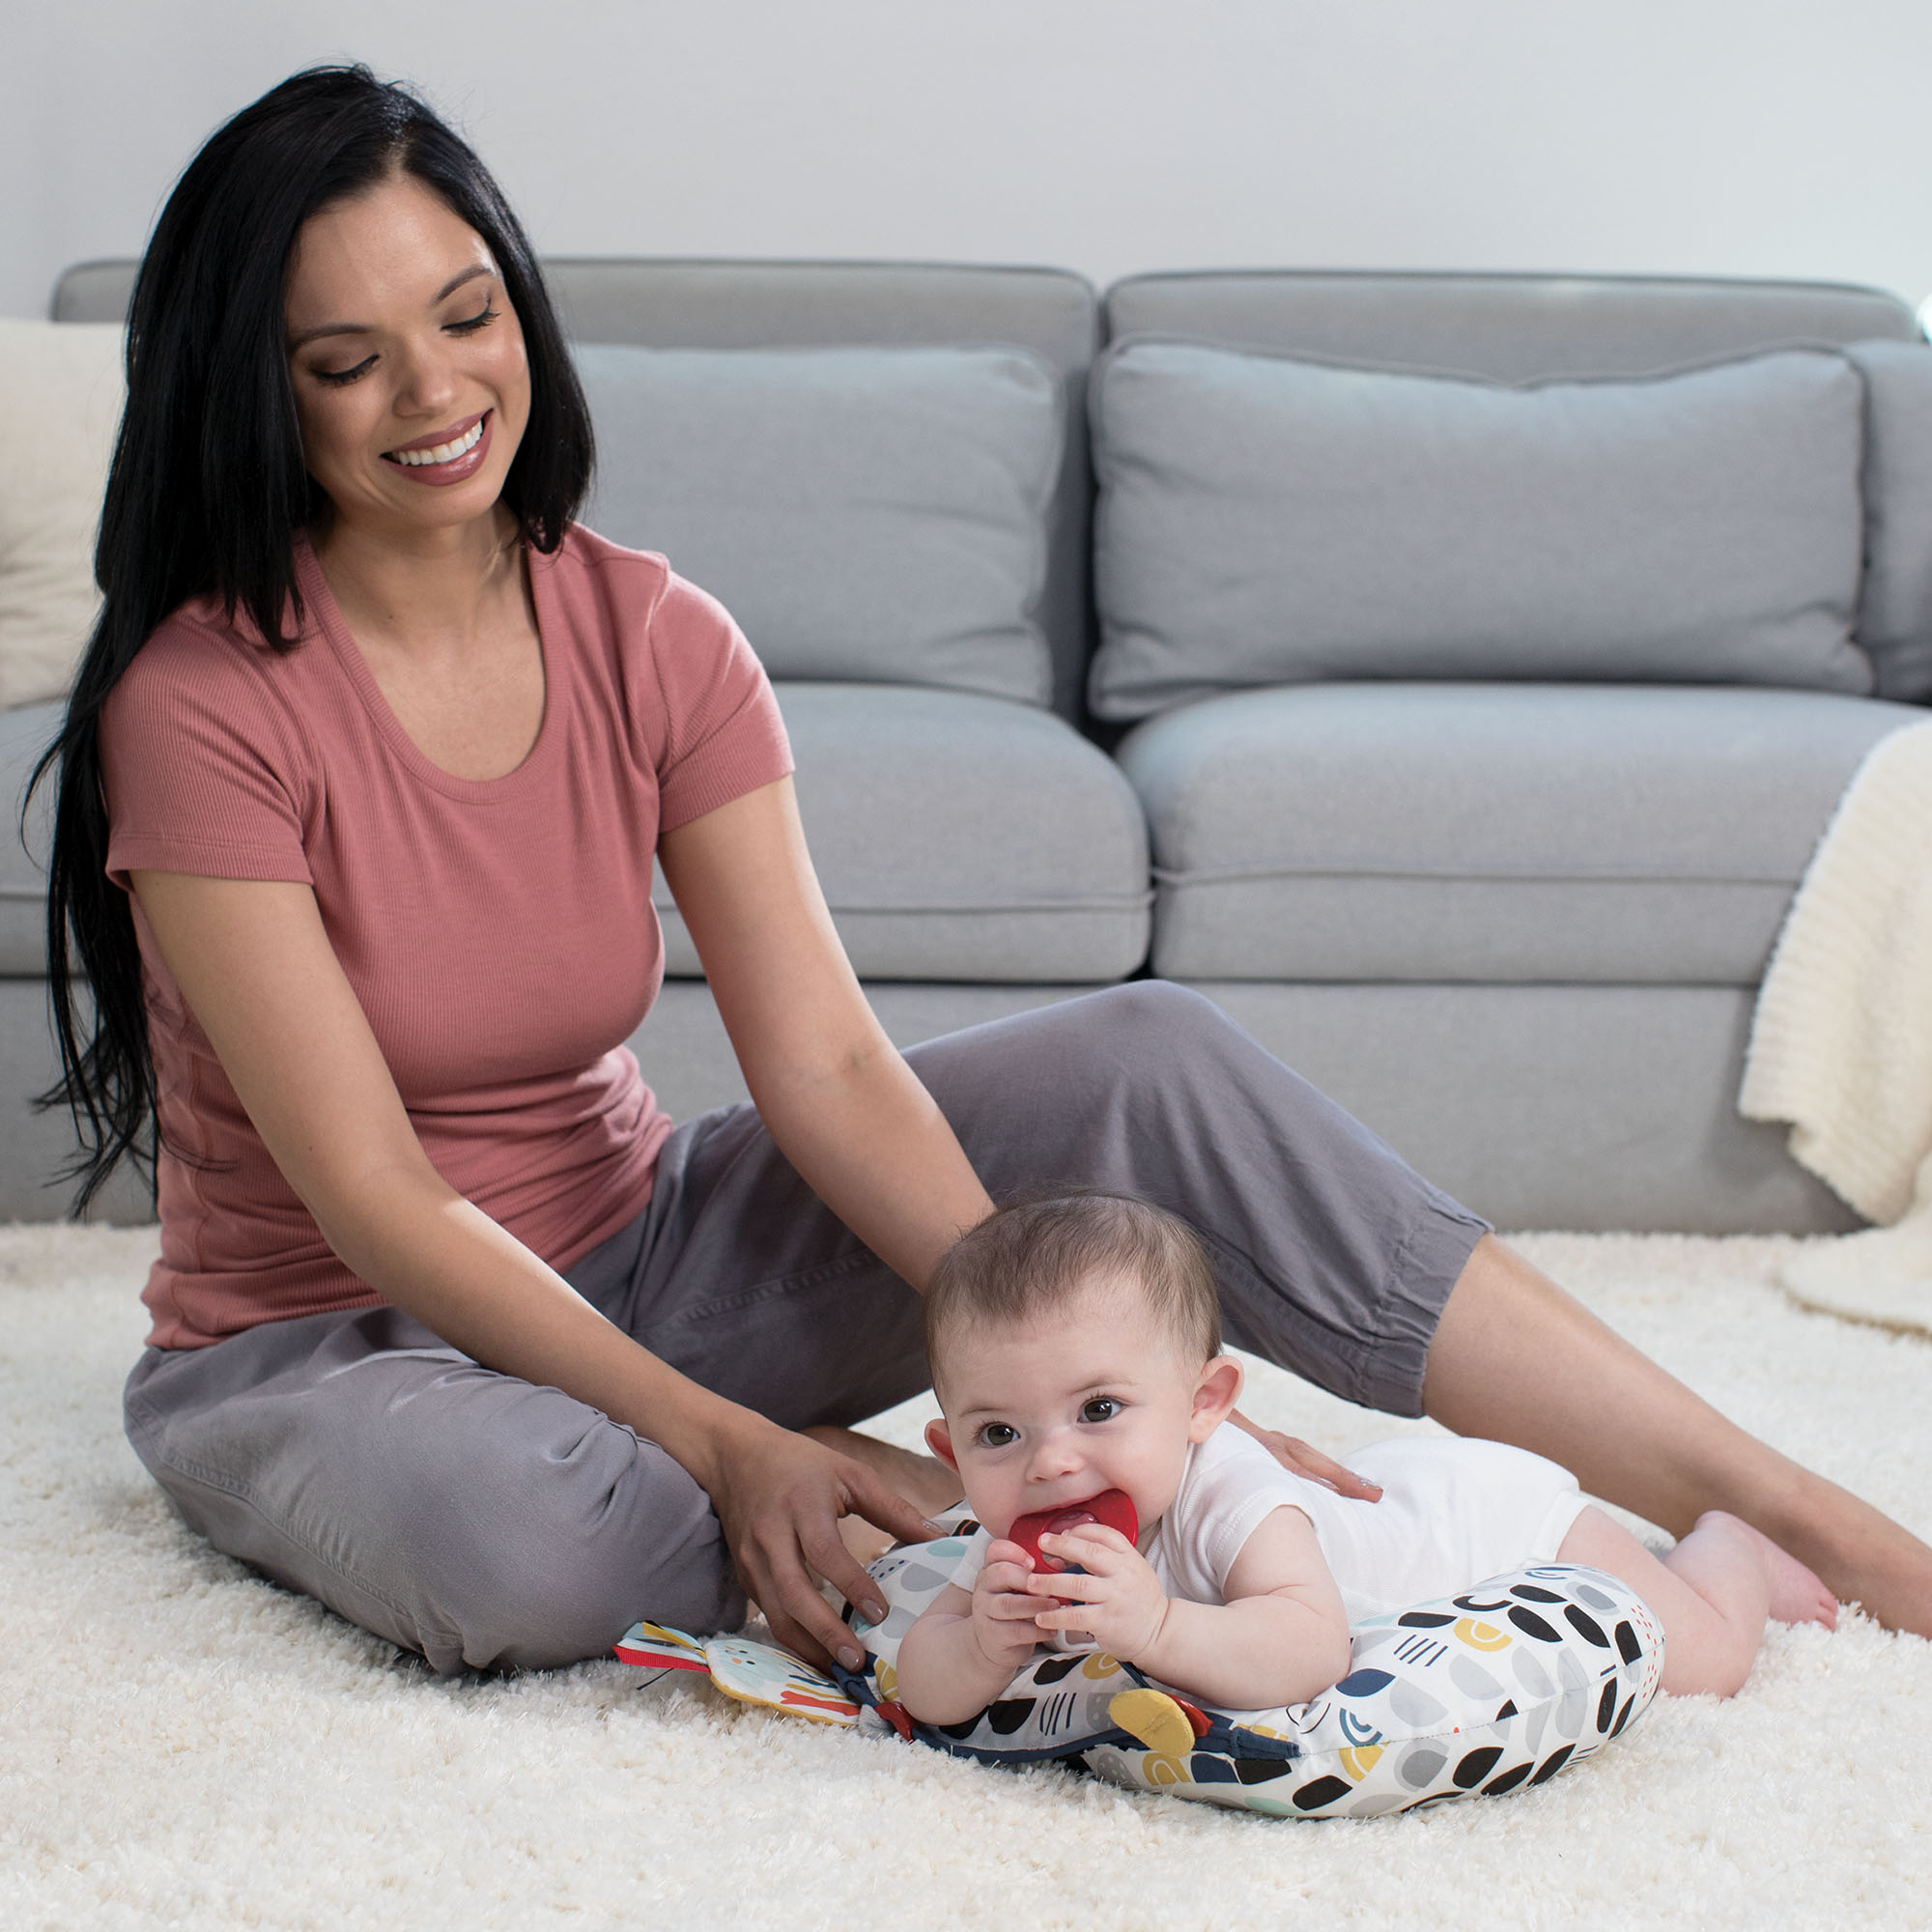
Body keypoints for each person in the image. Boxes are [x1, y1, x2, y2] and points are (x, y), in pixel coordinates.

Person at [33, 65, 1932, 1683]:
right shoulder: (202, 701)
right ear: (257, 395)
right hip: (345, 1349)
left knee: (1148, 1061)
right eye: (345, 362)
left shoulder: (648, 630)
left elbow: (830, 1070)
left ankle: (1773, 1499)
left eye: (466, 312)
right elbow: (369, 1195)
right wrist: (732, 1442)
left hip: (652, 1251)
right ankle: (890, 1514)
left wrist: (1023, 1351)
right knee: (535, 1546)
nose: (434, 390)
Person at [895, 1194, 1838, 1723]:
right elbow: (924, 1682)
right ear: (949, 1447)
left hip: (1488, 1526)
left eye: (1098, 1408)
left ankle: (1731, 1544)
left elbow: (1309, 1649)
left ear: (1204, 1405)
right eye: (998, 1434)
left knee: (1705, 1660)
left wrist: (1156, 1627)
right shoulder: (1016, 1536)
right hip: (1391, 1500)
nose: (1052, 1463)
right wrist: (981, 1640)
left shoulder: (1233, 1493)